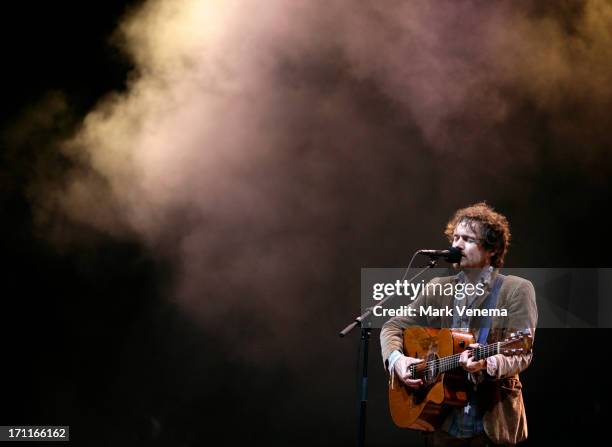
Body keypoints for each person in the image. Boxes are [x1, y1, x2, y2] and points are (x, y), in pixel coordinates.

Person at [380, 202, 537, 446]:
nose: (457, 245)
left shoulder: (515, 290)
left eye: (468, 239)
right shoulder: (438, 288)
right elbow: (393, 326)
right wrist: (398, 362)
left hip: (491, 428)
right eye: (455, 237)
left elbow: (522, 352)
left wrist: (486, 364)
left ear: (491, 249)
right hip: (442, 425)